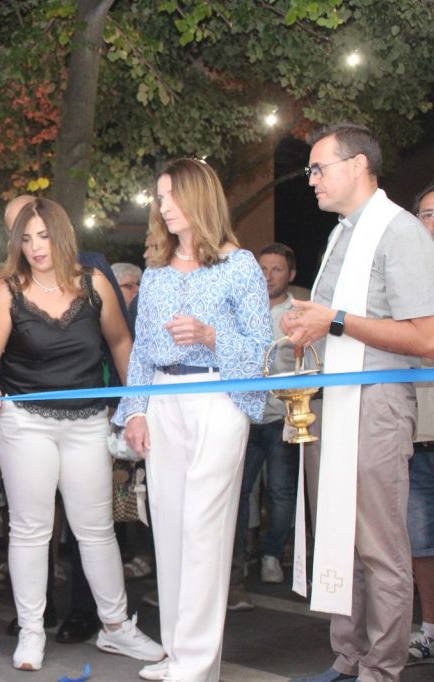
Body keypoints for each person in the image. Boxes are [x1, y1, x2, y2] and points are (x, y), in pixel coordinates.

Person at [0, 197, 163, 672]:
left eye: (43, 235)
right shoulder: (8, 289)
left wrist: (133, 406)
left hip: (87, 421)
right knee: (30, 530)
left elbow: (121, 342)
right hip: (23, 421)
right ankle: (31, 630)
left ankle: (115, 627)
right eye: (26, 239)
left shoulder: (94, 282)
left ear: (62, 234)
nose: (36, 247)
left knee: (96, 529)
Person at [283, 124, 434, 682]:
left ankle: (382, 666)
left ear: (359, 166)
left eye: (319, 168)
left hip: (378, 403)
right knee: (340, 542)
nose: (312, 180)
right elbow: (333, 323)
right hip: (338, 398)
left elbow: (426, 337)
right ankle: (349, 658)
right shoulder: (342, 234)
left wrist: (335, 321)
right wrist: (309, 328)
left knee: (379, 547)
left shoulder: (400, 232)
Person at [117, 158, 271, 682]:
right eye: (159, 198)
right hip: (162, 397)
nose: (162, 207)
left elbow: (262, 350)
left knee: (204, 529)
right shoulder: (156, 271)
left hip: (218, 396)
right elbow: (141, 350)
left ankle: (198, 664)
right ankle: (176, 653)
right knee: (168, 526)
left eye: (171, 196)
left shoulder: (240, 265)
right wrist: (136, 410)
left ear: (198, 197)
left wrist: (210, 336)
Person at [232, 243, 299, 594]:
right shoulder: (241, 307)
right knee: (238, 490)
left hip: (280, 416)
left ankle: (272, 553)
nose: (268, 276)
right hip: (244, 415)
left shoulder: (299, 314)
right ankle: (238, 558)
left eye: (276, 269)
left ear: (291, 274)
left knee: (282, 491)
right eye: (262, 269)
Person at [408, 181, 434, 663]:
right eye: (427, 215)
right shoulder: (406, 276)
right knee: (420, 540)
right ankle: (429, 629)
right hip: (416, 431)